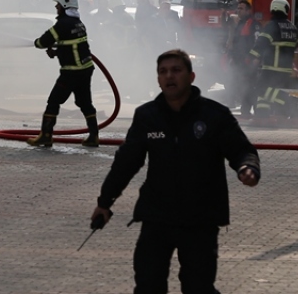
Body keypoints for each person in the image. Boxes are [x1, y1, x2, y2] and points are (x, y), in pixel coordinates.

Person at [91, 49, 260, 294]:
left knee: (198, 287)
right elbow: (126, 163)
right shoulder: (147, 116)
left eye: (176, 70)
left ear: (191, 77)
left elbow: (242, 150)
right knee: (148, 285)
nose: (169, 76)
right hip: (157, 217)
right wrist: (105, 202)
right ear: (158, 79)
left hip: (201, 219)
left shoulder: (214, 115)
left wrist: (248, 168)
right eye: (163, 72)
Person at [28, 0, 99, 148]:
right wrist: (56, 52)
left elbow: (42, 42)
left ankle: (46, 136)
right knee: (85, 102)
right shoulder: (78, 23)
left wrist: (38, 43)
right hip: (85, 69)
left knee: (53, 101)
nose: (56, 7)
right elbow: (72, 46)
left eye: (58, 5)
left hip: (71, 72)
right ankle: (94, 137)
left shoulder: (62, 24)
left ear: (65, 5)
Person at [250, 0, 298, 121]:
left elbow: (261, 42)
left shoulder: (272, 26)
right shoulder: (292, 27)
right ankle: (262, 115)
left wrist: (252, 57)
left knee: (261, 89)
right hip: (286, 69)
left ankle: (288, 100)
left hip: (271, 68)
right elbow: (297, 43)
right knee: (268, 92)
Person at [226, 0, 260, 117]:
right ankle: (245, 110)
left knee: (250, 86)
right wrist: (232, 57)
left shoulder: (254, 25)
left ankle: (254, 110)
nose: (238, 10)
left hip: (249, 62)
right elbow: (236, 43)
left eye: (241, 8)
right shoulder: (240, 24)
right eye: (238, 8)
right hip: (239, 62)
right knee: (242, 86)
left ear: (248, 11)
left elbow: (257, 43)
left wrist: (253, 59)